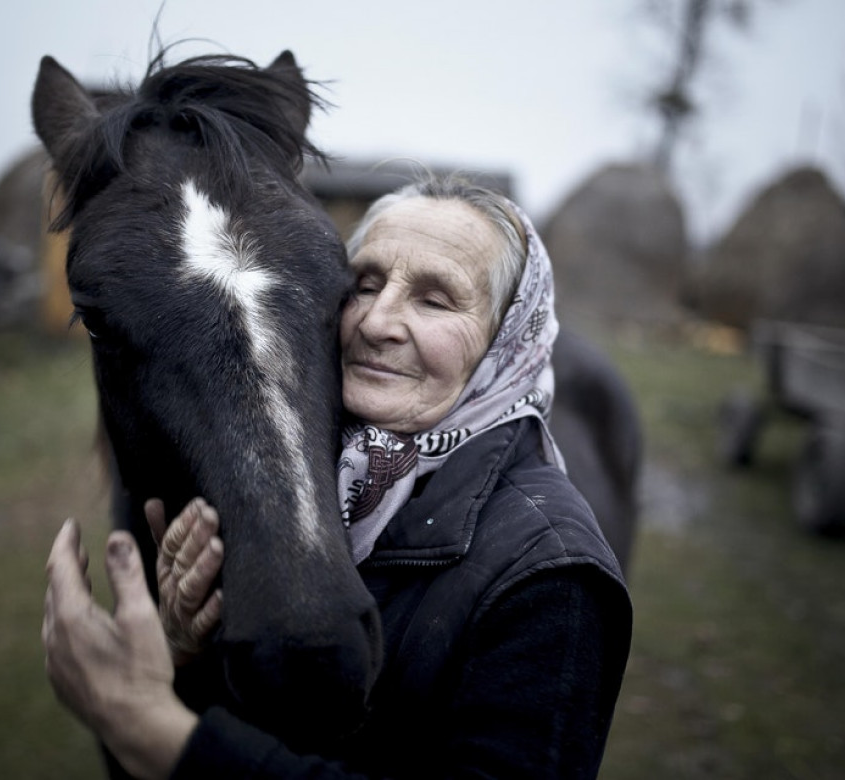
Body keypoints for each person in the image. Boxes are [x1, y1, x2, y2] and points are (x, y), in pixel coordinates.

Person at [43, 175, 633, 779]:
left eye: (434, 300)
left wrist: (159, 737)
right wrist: (184, 661)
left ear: (508, 341)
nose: (377, 322)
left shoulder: (553, 577)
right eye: (365, 284)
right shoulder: (287, 479)